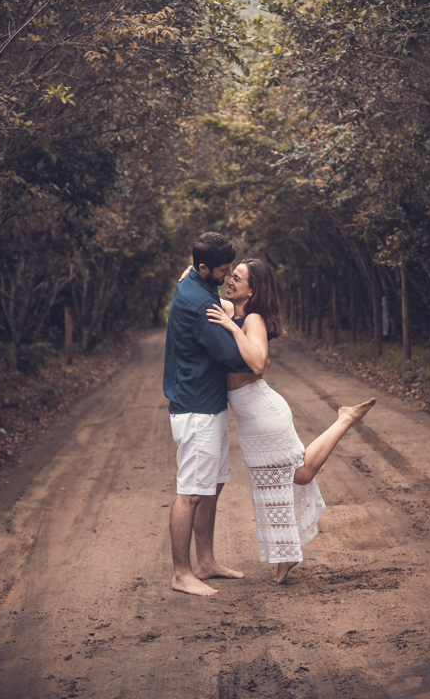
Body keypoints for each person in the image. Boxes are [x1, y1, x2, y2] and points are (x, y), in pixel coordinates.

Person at [206, 258, 376, 584]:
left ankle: (344, 419)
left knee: (298, 474)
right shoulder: (235, 311)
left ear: (252, 289)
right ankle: (285, 557)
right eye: (231, 275)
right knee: (270, 486)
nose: (229, 280)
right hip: (249, 416)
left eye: (237, 278)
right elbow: (195, 279)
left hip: (263, 410)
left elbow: (258, 363)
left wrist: (230, 327)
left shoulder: (250, 319)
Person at [163, 232, 249, 596]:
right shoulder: (199, 302)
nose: (228, 276)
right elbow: (230, 356)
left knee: (211, 486)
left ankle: (206, 561)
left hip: (208, 404)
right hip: (197, 409)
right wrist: (244, 323)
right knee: (191, 493)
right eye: (223, 271)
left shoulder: (198, 283)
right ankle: (181, 573)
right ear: (203, 268)